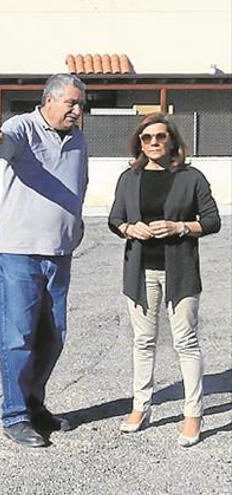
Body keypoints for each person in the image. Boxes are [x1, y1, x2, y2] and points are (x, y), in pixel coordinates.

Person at [0, 73, 88, 447]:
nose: (78, 109)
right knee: (18, 336)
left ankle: (34, 404)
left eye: (80, 103)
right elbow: (1, 146)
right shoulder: (22, 127)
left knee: (53, 335)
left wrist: (76, 222)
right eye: (71, 102)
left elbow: (79, 185)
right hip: (20, 251)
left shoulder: (78, 138)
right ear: (49, 100)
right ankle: (15, 416)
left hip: (60, 252)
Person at [108, 112, 220, 447]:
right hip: (140, 271)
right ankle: (141, 407)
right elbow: (114, 218)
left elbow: (212, 221)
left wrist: (180, 227)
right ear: (139, 143)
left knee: (185, 342)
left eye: (160, 136)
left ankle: (193, 413)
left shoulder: (191, 177)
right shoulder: (129, 177)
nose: (154, 143)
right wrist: (129, 228)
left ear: (172, 140)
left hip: (180, 272)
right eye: (147, 138)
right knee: (143, 342)